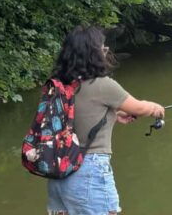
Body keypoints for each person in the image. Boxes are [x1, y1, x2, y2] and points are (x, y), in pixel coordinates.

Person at [47, 25, 164, 215]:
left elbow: (73, 116)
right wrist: (155, 108)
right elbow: (139, 108)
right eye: (103, 47)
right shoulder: (102, 85)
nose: (106, 51)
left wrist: (112, 116)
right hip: (88, 171)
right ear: (93, 53)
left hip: (58, 172)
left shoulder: (60, 85)